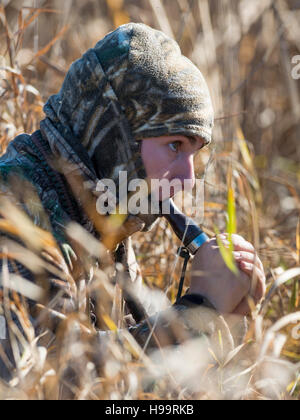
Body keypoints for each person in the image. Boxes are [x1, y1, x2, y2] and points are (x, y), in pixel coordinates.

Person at [0, 23, 265, 382]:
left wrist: (222, 318)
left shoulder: (101, 211)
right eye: (175, 145)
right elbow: (43, 380)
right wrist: (198, 308)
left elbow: (135, 378)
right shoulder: (13, 212)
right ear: (117, 135)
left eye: (195, 153)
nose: (188, 179)